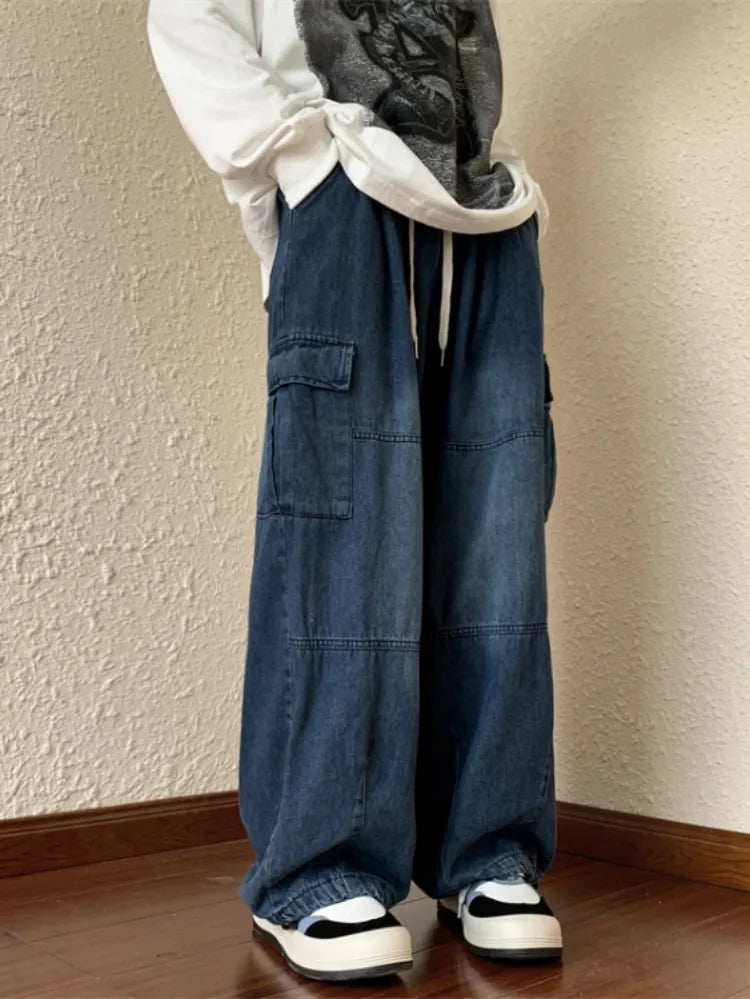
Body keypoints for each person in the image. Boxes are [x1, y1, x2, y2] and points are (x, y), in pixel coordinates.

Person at [147, 0, 561, 983]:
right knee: (346, 547)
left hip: (483, 211)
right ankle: (317, 868)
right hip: (345, 207)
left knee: (496, 547)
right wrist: (307, 159)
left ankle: (486, 852)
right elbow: (186, 16)